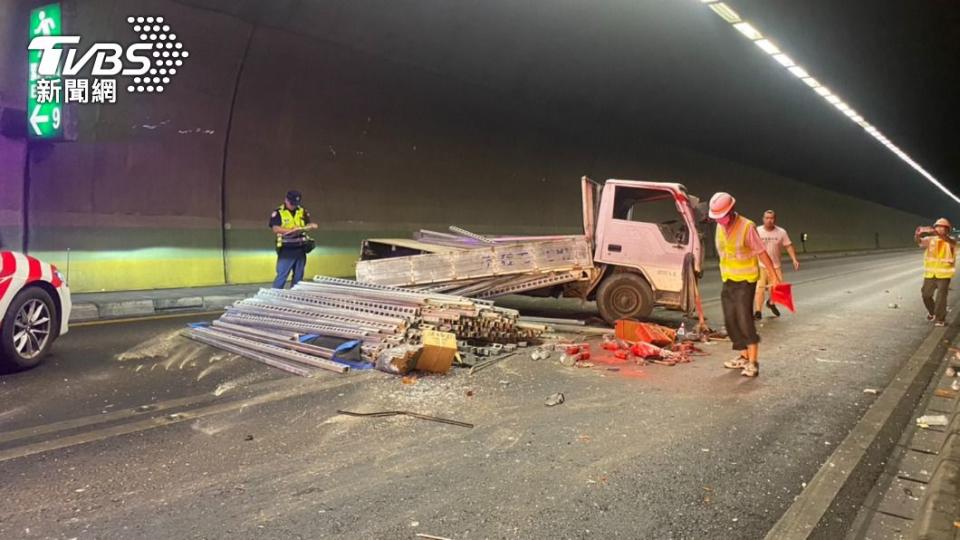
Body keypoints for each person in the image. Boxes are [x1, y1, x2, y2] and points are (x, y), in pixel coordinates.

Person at [709, 192, 780, 377]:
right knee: (730, 320)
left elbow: (761, 252)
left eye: (721, 216)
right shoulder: (719, 226)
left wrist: (773, 276)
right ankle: (742, 356)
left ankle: (753, 362)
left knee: (744, 319)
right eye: (716, 217)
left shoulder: (746, 227)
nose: (719, 220)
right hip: (728, 278)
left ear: (731, 211)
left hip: (746, 280)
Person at [754, 210, 800, 319]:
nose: (769, 220)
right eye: (767, 218)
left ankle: (770, 303)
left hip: (776, 266)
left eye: (771, 218)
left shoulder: (781, 232)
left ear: (775, 219)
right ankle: (758, 311)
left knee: (776, 289)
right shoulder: (757, 231)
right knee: (759, 289)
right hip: (761, 265)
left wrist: (794, 259)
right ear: (763, 219)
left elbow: (788, 245)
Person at [270, 190, 318, 289]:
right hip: (287, 249)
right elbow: (275, 228)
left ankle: (295, 296)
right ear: (286, 200)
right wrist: (290, 230)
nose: (293, 206)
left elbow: (307, 223)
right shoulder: (279, 212)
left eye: (295, 204)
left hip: (300, 248)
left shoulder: (302, 211)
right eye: (291, 203)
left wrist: (309, 227)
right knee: (282, 276)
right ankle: (275, 296)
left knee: (298, 277)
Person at [916, 218, 956, 327]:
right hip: (930, 274)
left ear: (947, 230)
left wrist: (937, 233)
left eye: (943, 228)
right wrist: (918, 234)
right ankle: (932, 312)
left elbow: (950, 242)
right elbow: (919, 242)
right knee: (926, 295)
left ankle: (940, 319)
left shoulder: (951, 240)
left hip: (944, 274)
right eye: (938, 227)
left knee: (941, 298)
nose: (940, 229)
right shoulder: (930, 240)